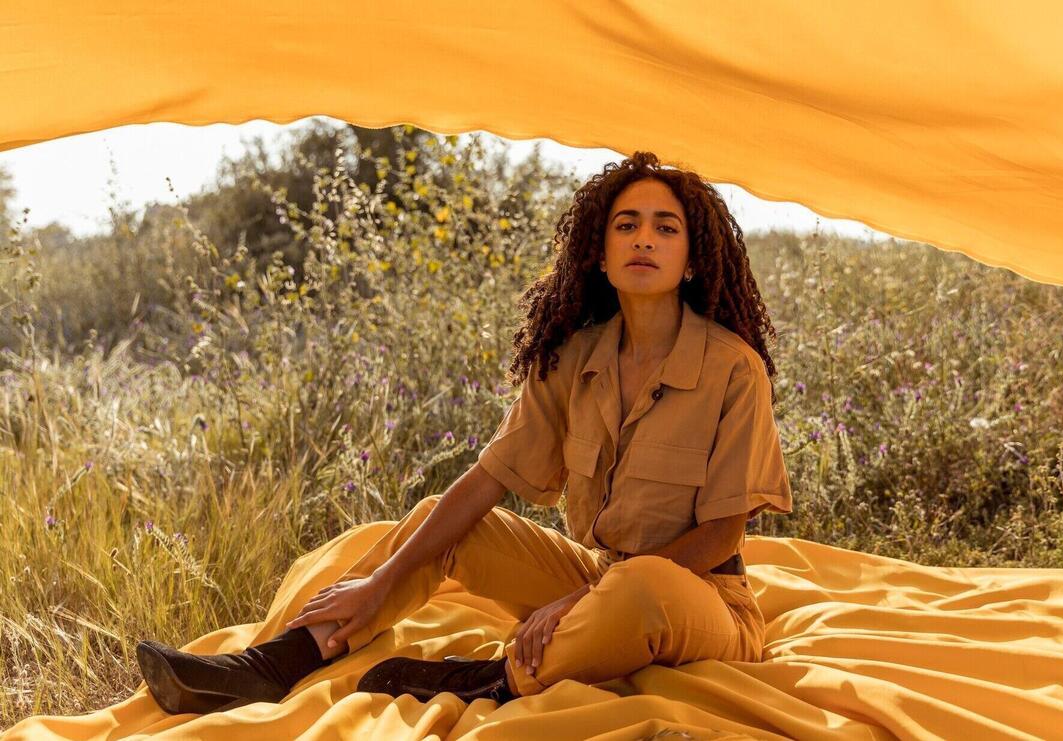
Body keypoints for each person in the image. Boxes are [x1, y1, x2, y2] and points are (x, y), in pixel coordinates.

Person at [135, 150, 794, 714]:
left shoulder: (734, 369)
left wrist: (579, 600)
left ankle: (488, 681)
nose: (643, 239)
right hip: (599, 577)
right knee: (443, 524)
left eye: (665, 228)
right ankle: (275, 664)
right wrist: (382, 580)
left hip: (702, 598)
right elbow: (490, 479)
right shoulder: (576, 360)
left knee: (639, 590)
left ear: (693, 260)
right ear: (600, 252)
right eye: (627, 225)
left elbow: (721, 535)